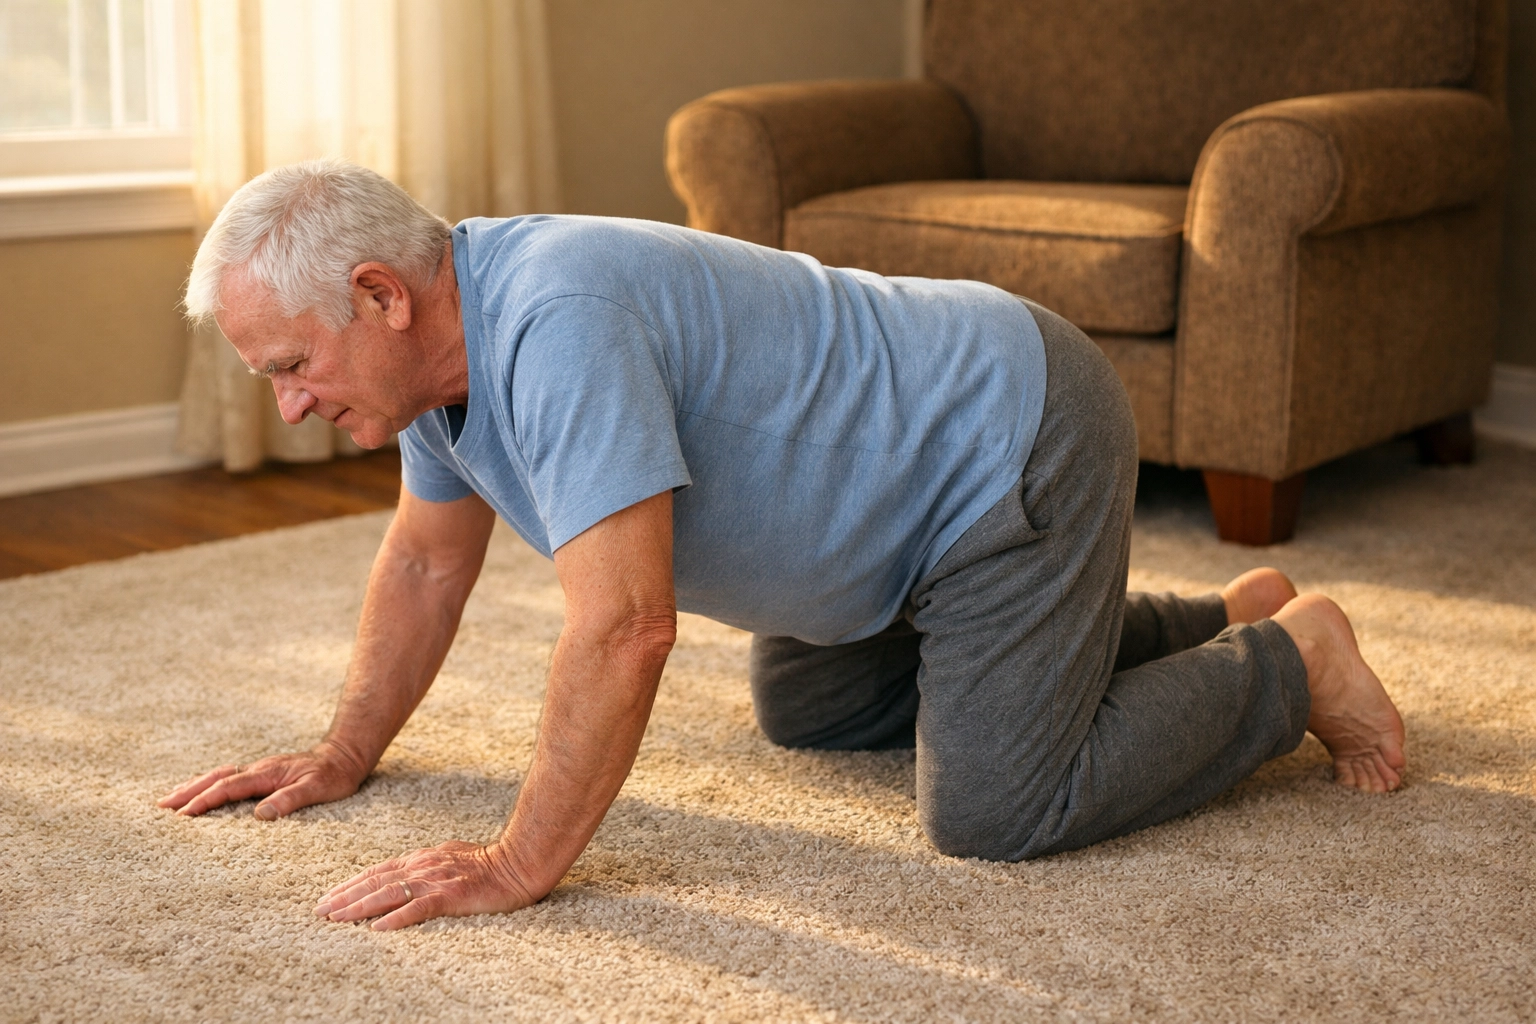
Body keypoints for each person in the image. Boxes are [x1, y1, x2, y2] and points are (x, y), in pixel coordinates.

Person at [159, 159, 1406, 931]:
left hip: (1006, 432)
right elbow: (428, 564)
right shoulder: (442, 371)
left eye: (292, 366)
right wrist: (342, 750)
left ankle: (1292, 660)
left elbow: (627, 625)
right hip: (901, 521)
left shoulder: (553, 319)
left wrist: (517, 859)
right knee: (809, 703)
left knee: (998, 807)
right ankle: (1212, 616)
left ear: (380, 295)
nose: (291, 404)